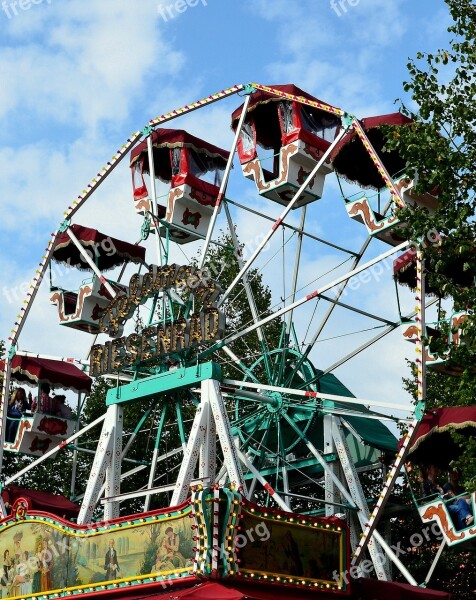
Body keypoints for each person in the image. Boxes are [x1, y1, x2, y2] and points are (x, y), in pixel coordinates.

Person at [420, 464, 473, 529]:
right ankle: (464, 528)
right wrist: (435, 500)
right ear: (428, 470)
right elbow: (423, 502)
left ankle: (468, 518)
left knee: (461, 501)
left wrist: (447, 496)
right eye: (434, 467)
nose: (437, 469)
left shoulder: (439, 483)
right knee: (458, 508)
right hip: (439, 507)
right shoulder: (424, 484)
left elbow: (447, 495)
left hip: (447, 504)